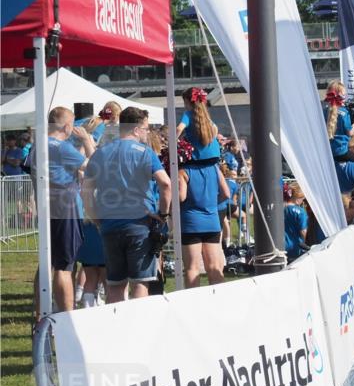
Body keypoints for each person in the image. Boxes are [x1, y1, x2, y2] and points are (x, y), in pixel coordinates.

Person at [82, 107, 170, 304]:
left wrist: (96, 218)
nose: (148, 133)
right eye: (146, 129)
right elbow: (165, 184)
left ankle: (115, 331)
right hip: (140, 223)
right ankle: (139, 329)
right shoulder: (145, 153)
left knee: (115, 285)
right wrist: (163, 214)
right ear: (137, 129)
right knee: (140, 283)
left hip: (109, 224)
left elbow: (85, 190)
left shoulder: (100, 153)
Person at [27, 107, 94, 317]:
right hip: (65, 206)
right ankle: (67, 317)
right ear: (67, 125)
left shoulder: (39, 145)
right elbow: (94, 167)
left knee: (47, 261)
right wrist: (86, 141)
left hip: (48, 205)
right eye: (72, 124)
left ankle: (41, 315)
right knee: (65, 265)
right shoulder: (60, 146)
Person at [177, 88, 226, 288]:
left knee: (192, 268)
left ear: (188, 102)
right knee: (215, 267)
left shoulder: (184, 172)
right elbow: (226, 193)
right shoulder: (215, 169)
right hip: (212, 218)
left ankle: (192, 307)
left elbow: (180, 197)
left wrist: (174, 143)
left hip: (191, 222)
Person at [283, 183, 309, 262]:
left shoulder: (280, 208)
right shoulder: (301, 212)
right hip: (296, 248)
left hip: (281, 247)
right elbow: (303, 231)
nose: (303, 201)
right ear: (298, 197)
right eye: (303, 199)